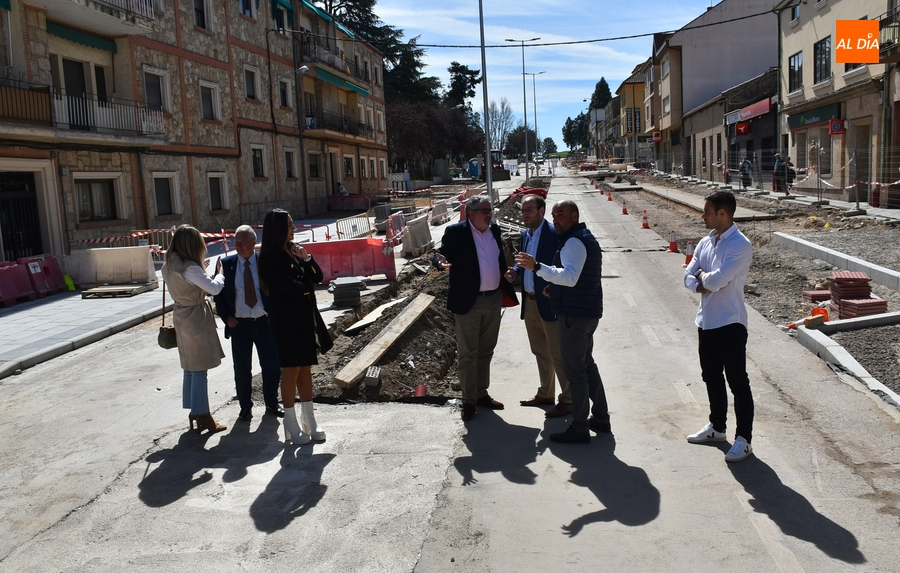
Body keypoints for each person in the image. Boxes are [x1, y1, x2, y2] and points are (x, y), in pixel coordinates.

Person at [515, 200, 609, 444]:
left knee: (575, 372)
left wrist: (537, 267)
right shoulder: (580, 237)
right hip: (584, 311)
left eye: (561, 215)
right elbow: (576, 279)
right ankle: (600, 417)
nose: (556, 219)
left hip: (575, 317)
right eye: (555, 215)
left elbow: (570, 276)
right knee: (587, 366)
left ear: (575, 216)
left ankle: (579, 426)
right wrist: (554, 290)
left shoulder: (574, 241)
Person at [432, 194, 518, 421]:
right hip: (469, 302)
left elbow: (500, 260)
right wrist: (438, 262)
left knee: (486, 350)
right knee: (468, 353)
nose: (489, 214)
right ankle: (468, 400)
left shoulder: (495, 231)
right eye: (484, 210)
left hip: (493, 299)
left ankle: (481, 393)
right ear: (471, 213)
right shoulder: (457, 232)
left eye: (490, 210)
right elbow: (440, 254)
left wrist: (508, 272)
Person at [683, 190, 755, 463]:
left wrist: (703, 279)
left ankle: (744, 439)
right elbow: (689, 274)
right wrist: (700, 279)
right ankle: (717, 428)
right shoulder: (705, 242)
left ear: (722, 213)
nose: (703, 216)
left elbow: (717, 281)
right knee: (711, 376)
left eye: (707, 211)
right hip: (707, 321)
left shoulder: (740, 244)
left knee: (737, 382)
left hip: (730, 322)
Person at [258, 209, 333, 444]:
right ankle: (289, 421)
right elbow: (290, 286)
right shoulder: (270, 257)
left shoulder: (292, 251)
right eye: (290, 225)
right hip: (285, 321)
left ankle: (308, 418)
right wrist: (306, 285)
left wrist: (306, 258)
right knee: (290, 370)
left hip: (303, 318)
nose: (294, 228)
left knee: (305, 368)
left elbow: (318, 277)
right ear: (279, 228)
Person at [504, 194, 572, 418]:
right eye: (523, 210)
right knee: (540, 351)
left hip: (548, 302)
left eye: (530, 210)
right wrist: (516, 269)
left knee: (557, 353)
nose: (525, 214)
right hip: (530, 302)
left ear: (542, 211)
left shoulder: (554, 234)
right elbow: (526, 261)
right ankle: (546, 393)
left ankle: (569, 399)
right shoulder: (526, 234)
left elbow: (561, 265)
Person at [161, 225, 227, 434]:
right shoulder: (191, 268)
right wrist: (219, 274)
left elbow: (188, 282)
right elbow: (214, 288)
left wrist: (202, 272)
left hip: (181, 316)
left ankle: (193, 410)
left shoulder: (169, 265)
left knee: (189, 366)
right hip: (196, 319)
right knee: (200, 369)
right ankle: (202, 414)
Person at [214, 225, 283, 422]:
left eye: (243, 242)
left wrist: (274, 316)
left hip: (264, 324)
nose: (239, 245)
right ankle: (245, 407)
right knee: (242, 369)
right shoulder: (226, 265)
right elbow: (218, 296)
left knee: (271, 366)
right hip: (240, 326)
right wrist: (226, 317)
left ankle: (271, 402)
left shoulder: (265, 263)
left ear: (254, 243)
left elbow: (276, 291)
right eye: (236, 242)